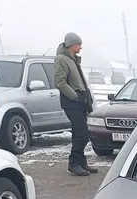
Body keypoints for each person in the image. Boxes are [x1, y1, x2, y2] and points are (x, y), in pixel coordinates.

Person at [53, 33, 96, 177]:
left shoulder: (73, 60)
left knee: (80, 133)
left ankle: (81, 162)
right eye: (78, 44)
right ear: (71, 45)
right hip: (72, 103)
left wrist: (86, 98)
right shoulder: (61, 59)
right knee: (81, 133)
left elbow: (80, 82)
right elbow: (60, 82)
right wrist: (75, 96)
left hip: (80, 101)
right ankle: (73, 163)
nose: (80, 47)